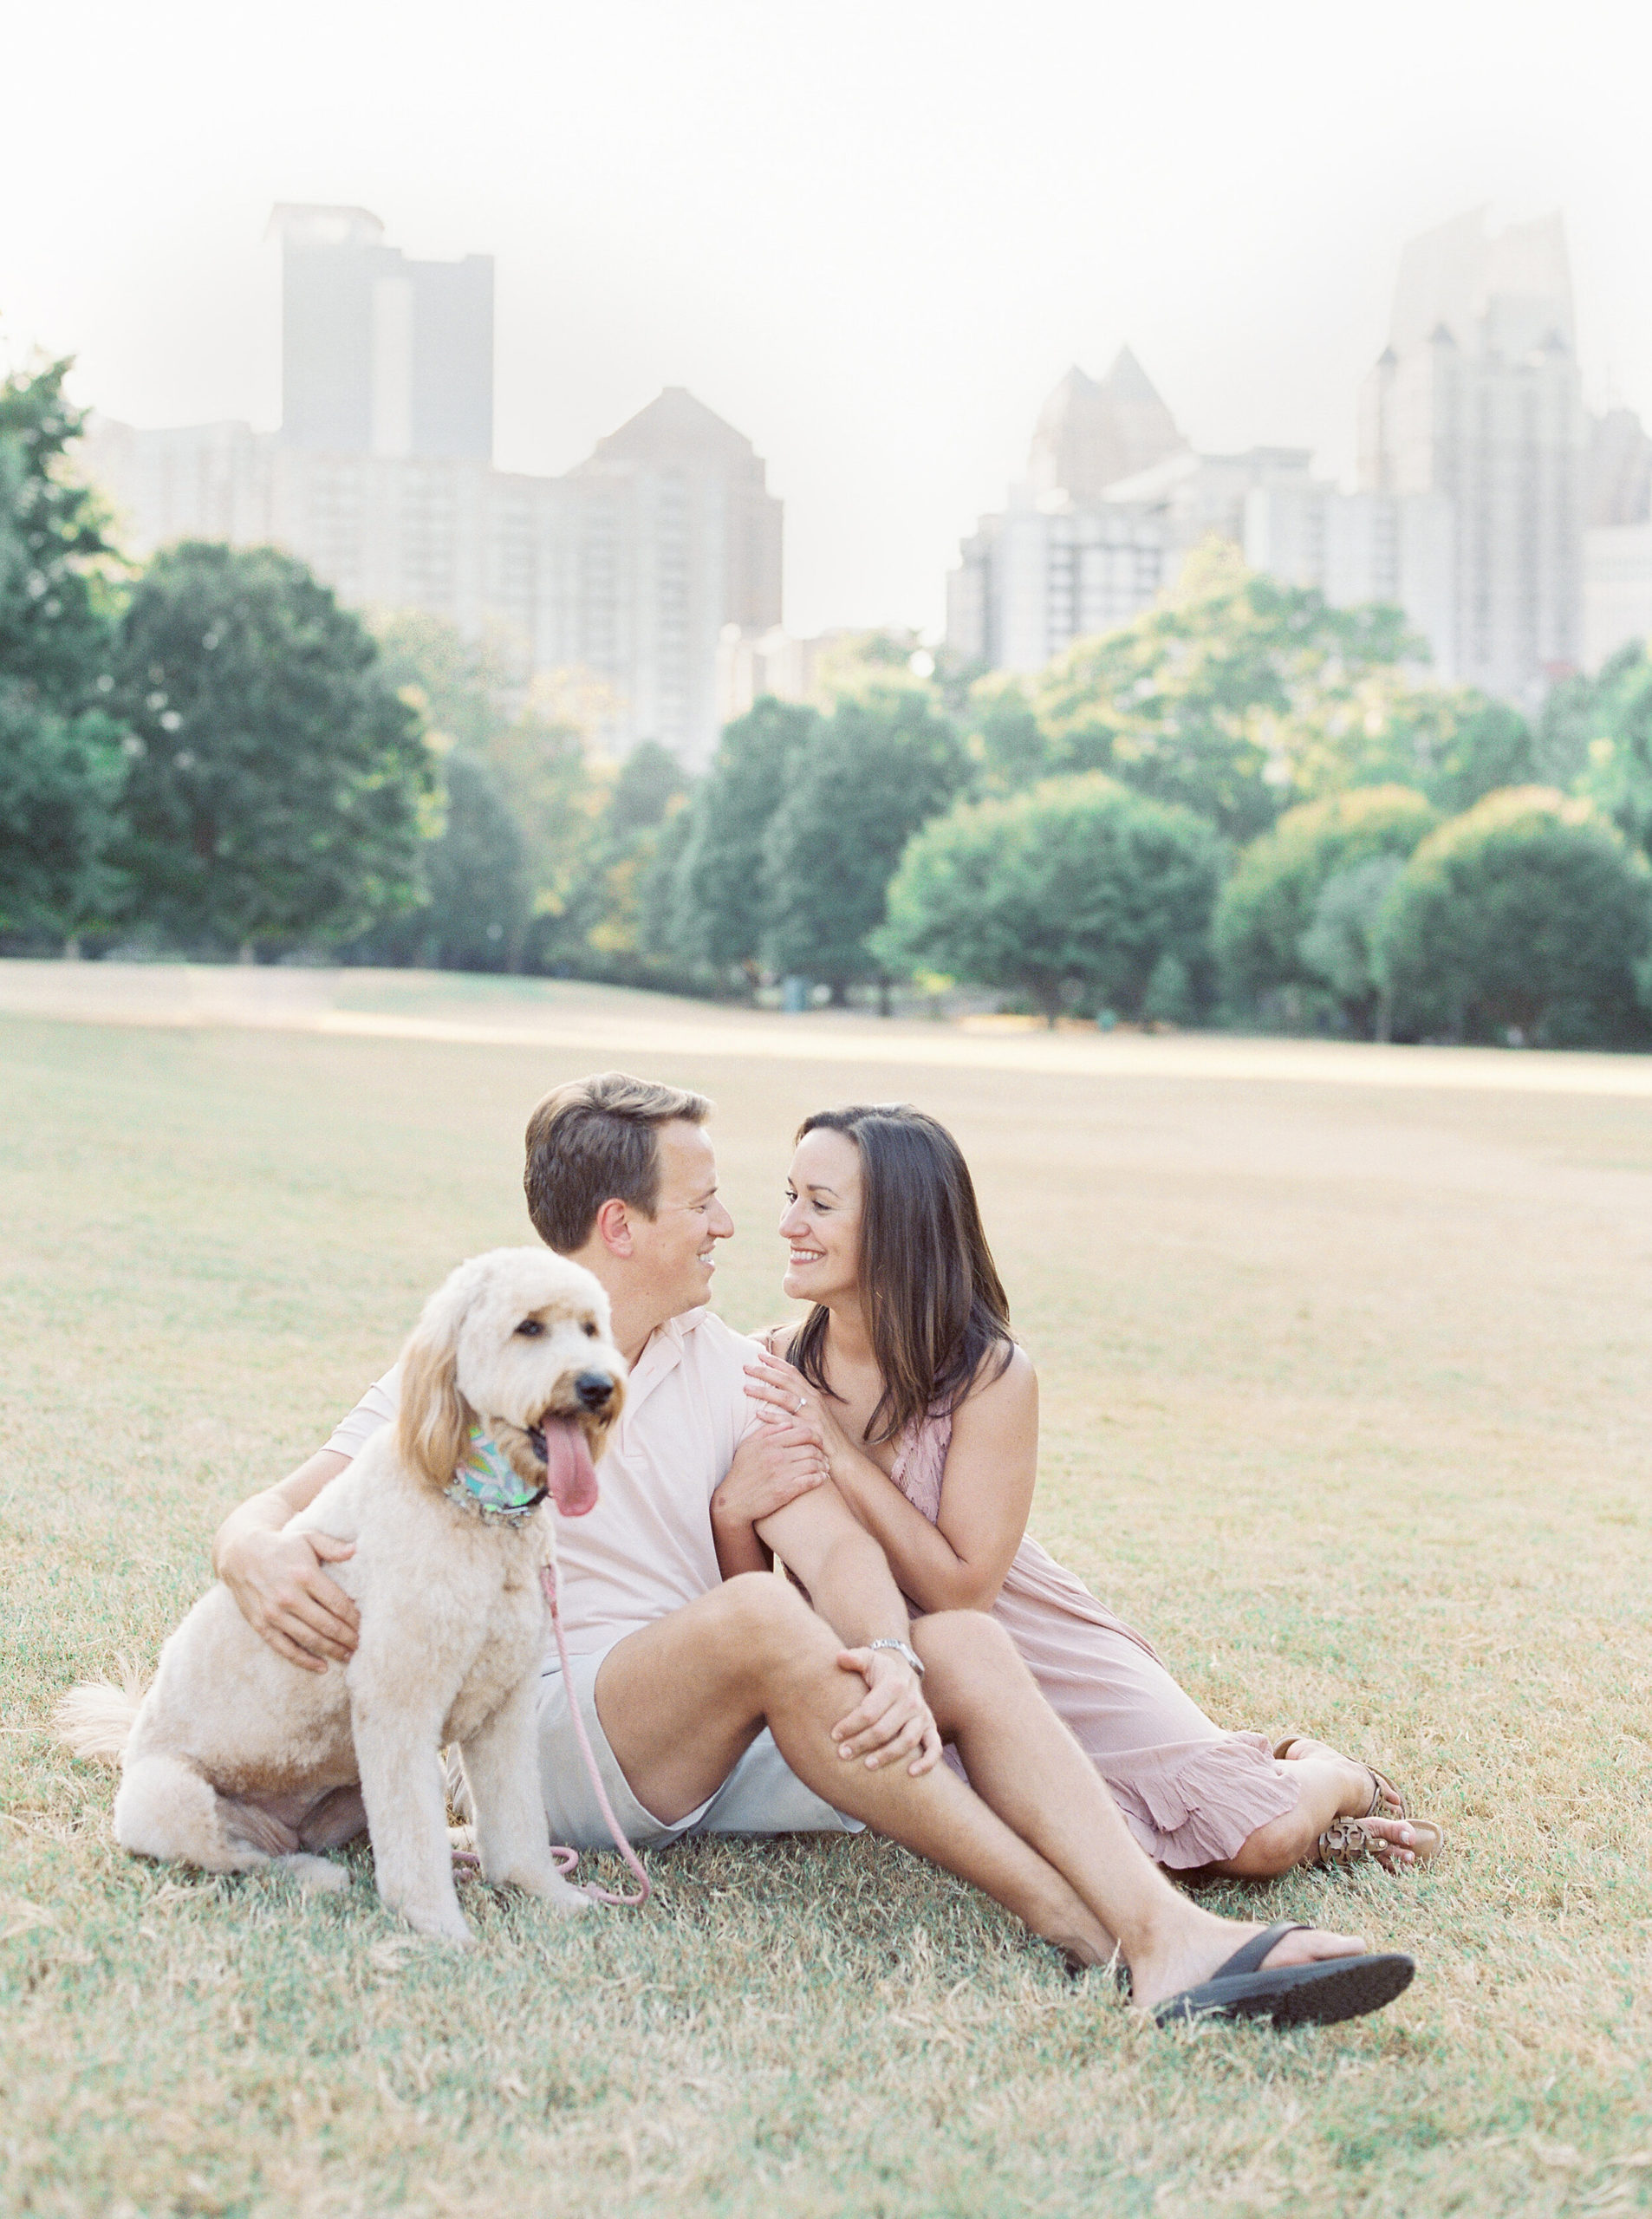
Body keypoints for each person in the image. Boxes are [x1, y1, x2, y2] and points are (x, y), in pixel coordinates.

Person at [213, 1071, 1414, 2027]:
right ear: (620, 1226)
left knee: (960, 1640)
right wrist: (244, 1550)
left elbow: (839, 1555)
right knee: (757, 1625)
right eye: (706, 1202)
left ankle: (1172, 1942)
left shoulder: (737, 1366)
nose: (736, 1224)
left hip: (725, 1732)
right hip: (558, 1740)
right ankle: (1093, 1935)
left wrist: (889, 1655)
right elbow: (291, 1503)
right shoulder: (484, 1354)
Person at [721, 1103, 1443, 1881]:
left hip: (1037, 1645)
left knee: (1254, 1843)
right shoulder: (767, 1364)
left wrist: (838, 1451)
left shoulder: (990, 1374)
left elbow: (966, 1590)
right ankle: (1284, 1801)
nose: (791, 1223)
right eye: (789, 1196)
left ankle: (1328, 1775)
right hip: (906, 1665)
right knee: (1063, 1848)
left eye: (821, 1205)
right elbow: (748, 1586)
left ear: (901, 1226)